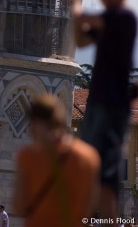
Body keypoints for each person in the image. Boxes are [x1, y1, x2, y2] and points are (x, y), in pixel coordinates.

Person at [72, 0, 137, 222]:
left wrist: (76, 2)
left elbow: (84, 17)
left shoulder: (124, 17)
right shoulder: (109, 22)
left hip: (112, 106)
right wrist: (77, 18)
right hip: (98, 103)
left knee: (106, 176)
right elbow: (81, 39)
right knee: (90, 170)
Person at [13, 94, 100, 227]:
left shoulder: (29, 155)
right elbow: (89, 208)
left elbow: (18, 207)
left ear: (35, 122)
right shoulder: (89, 155)